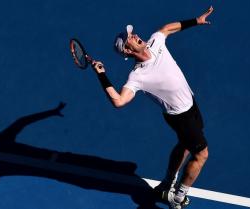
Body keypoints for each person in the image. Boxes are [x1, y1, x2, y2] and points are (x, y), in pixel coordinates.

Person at [91, 6, 214, 209]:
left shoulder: (156, 41)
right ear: (128, 51)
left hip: (191, 104)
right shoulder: (137, 76)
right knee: (202, 154)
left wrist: (196, 21)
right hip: (179, 116)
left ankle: (166, 184)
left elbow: (167, 28)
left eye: (132, 33)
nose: (135, 35)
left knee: (184, 145)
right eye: (130, 37)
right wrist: (102, 75)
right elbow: (119, 101)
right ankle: (177, 197)